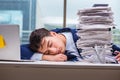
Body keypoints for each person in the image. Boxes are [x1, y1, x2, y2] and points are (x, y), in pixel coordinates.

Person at [21, 28, 120, 62]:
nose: (54, 51)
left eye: (50, 44)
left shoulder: (82, 34)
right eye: (48, 52)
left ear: (53, 34)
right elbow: (21, 50)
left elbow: (111, 46)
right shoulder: (55, 53)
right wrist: (45, 57)